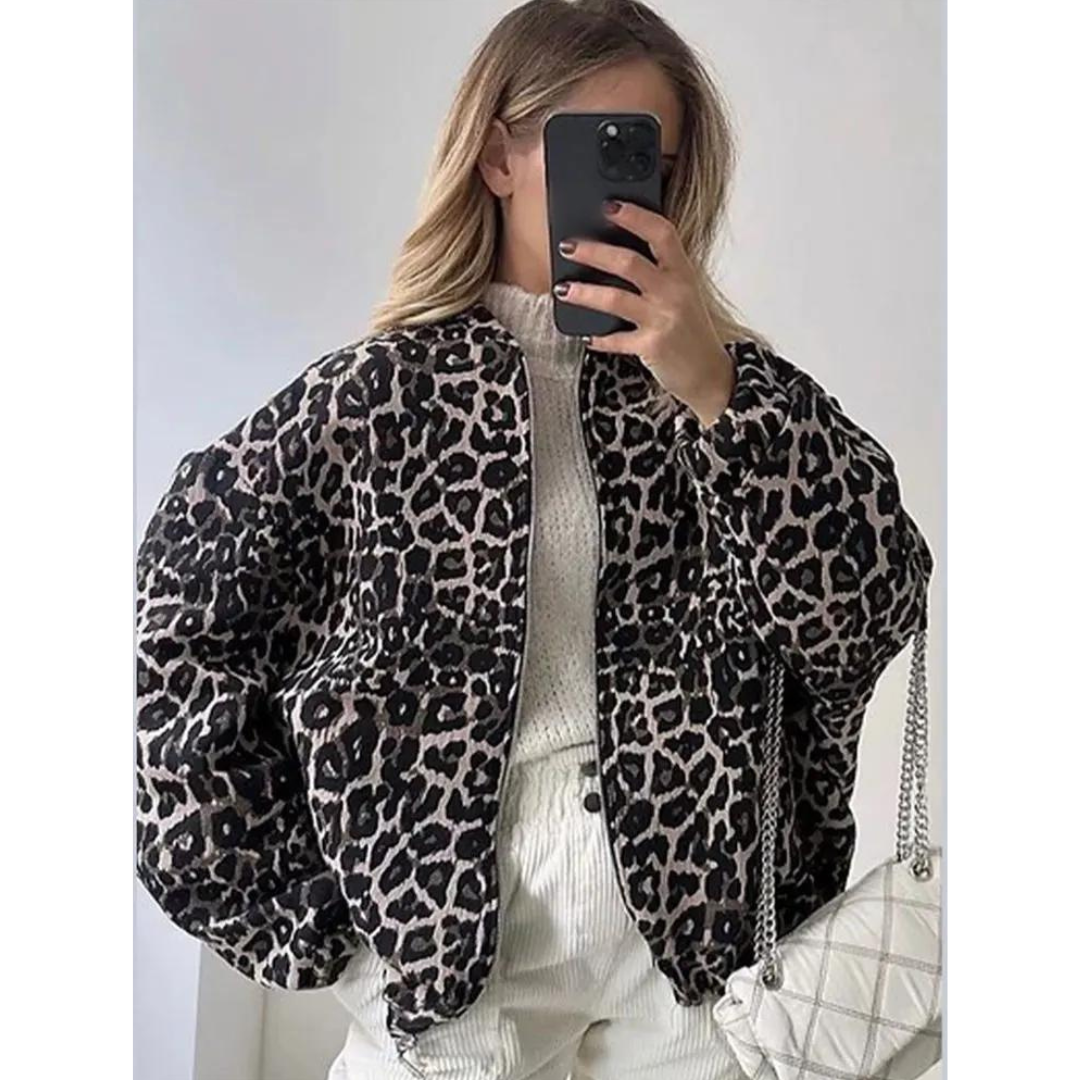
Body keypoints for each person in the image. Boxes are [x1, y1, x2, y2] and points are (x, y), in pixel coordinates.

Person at [133, 2, 935, 1078]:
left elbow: (870, 611)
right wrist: (322, 930)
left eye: (653, 162)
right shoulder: (369, 406)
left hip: (694, 948)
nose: (628, 193)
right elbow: (175, 641)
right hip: (464, 950)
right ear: (499, 154)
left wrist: (719, 392)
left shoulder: (724, 393)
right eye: (598, 147)